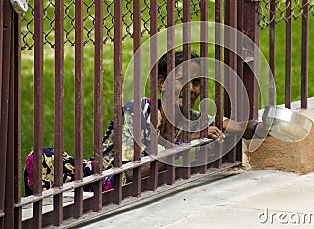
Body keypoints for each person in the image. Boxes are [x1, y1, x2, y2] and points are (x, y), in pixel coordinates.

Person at [24, 51, 269, 195]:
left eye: (196, 82)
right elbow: (132, 171)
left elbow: (231, 125)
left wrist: (263, 127)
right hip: (99, 183)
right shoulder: (139, 110)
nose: (191, 88)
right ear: (162, 83)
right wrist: (187, 142)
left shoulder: (189, 119)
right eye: (180, 79)